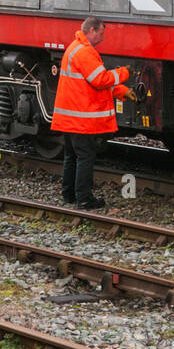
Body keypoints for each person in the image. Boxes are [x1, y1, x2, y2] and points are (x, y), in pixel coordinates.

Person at [52, 16, 133, 209]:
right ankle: (84, 199)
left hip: (71, 117)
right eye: (102, 33)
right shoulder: (84, 53)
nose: (103, 38)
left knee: (71, 156)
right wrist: (123, 73)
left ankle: (69, 194)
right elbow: (100, 80)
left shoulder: (74, 48)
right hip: (81, 119)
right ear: (92, 31)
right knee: (85, 157)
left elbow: (90, 85)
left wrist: (121, 90)